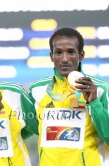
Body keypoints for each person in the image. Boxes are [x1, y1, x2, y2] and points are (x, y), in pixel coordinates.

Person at [29, 27, 109, 166]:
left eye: (71, 52)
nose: (65, 59)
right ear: (51, 56)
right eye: (58, 52)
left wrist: (94, 103)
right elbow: (24, 128)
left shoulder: (100, 89)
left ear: (81, 55)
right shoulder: (36, 90)